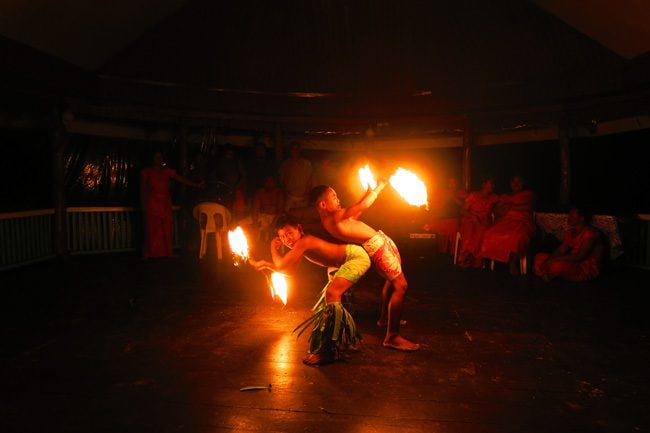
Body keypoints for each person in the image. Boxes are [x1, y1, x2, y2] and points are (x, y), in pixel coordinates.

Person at [309, 181, 420, 352]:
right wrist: (379, 188)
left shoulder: (336, 219)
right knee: (401, 286)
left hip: (380, 242)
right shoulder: (332, 218)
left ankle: (384, 318)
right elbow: (362, 205)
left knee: (392, 282)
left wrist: (367, 192)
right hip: (377, 248)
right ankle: (392, 336)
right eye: (334, 197)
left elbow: (357, 211)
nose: (338, 199)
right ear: (323, 204)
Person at [248, 214, 371, 366]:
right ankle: (339, 345)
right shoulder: (301, 245)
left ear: (299, 228)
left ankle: (329, 352)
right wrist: (265, 264)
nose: (287, 239)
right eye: (282, 237)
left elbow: (281, 266)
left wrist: (272, 247)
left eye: (289, 233)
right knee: (331, 300)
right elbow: (289, 271)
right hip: (342, 263)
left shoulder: (304, 241)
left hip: (354, 257)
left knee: (332, 294)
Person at [140, 150, 204, 259]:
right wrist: (143, 204)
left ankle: (166, 253)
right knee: (152, 230)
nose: (158, 159)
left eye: (160, 157)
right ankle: (152, 254)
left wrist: (196, 185)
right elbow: (142, 189)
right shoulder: (146, 172)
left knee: (166, 229)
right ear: (152, 159)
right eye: (156, 157)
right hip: (152, 204)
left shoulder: (167, 171)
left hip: (164, 204)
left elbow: (181, 179)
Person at [479, 175, 536, 275]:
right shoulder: (505, 197)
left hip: (521, 222)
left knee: (517, 237)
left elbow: (527, 206)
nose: (516, 184)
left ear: (523, 184)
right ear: (510, 184)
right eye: (514, 181)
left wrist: (509, 207)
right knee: (489, 233)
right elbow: (497, 210)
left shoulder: (527, 194)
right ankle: (488, 262)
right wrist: (510, 207)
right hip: (505, 222)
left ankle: (512, 262)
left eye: (519, 181)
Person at [533, 205, 605, 282]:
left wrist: (554, 259)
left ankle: (547, 273)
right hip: (572, 262)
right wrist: (550, 259)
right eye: (569, 214)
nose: (568, 217)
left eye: (571, 215)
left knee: (556, 266)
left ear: (581, 218)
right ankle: (548, 274)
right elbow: (561, 250)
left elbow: (580, 256)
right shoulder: (570, 232)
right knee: (539, 257)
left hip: (584, 268)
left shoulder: (590, 233)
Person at [457, 176, 498, 268]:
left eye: (493, 183)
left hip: (484, 221)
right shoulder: (474, 195)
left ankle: (474, 259)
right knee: (469, 229)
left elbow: (501, 206)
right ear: (483, 184)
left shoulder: (493, 197)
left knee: (482, 231)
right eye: (491, 183)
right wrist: (472, 216)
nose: (493, 186)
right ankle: (465, 257)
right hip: (470, 218)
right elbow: (462, 211)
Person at [423, 176, 467, 255]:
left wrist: (453, 197)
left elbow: (464, 206)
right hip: (442, 219)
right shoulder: (443, 193)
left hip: (454, 219)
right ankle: (440, 254)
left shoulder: (461, 193)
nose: (452, 185)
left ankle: (453, 254)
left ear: (457, 184)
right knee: (435, 231)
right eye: (450, 183)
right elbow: (437, 206)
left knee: (453, 235)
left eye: (453, 183)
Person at [279, 141, 315, 211]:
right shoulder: (285, 164)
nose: (295, 151)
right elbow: (282, 180)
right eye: (293, 149)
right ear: (290, 150)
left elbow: (311, 179)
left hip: (303, 197)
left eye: (296, 149)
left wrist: (308, 194)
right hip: (290, 197)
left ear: (299, 150)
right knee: (288, 217)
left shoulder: (306, 164)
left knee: (302, 218)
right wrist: (285, 194)